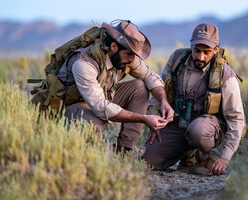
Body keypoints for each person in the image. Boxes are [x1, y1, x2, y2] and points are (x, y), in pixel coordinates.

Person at [142, 23, 245, 175]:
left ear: (216, 49)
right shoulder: (177, 59)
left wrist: (225, 158)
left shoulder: (226, 75)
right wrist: (154, 115)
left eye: (207, 52)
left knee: (198, 129)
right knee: (146, 161)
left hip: (207, 128)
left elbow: (236, 118)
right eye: (196, 50)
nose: (200, 57)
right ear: (191, 45)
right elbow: (159, 90)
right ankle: (187, 155)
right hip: (179, 123)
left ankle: (204, 158)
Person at [57, 20, 174, 151]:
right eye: (129, 54)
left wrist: (164, 101)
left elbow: (149, 75)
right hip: (71, 107)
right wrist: (144, 119)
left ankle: (125, 150)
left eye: (134, 55)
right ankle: (73, 152)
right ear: (113, 47)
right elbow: (102, 108)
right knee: (96, 123)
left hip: (101, 99)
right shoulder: (84, 64)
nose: (132, 60)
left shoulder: (123, 56)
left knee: (139, 87)